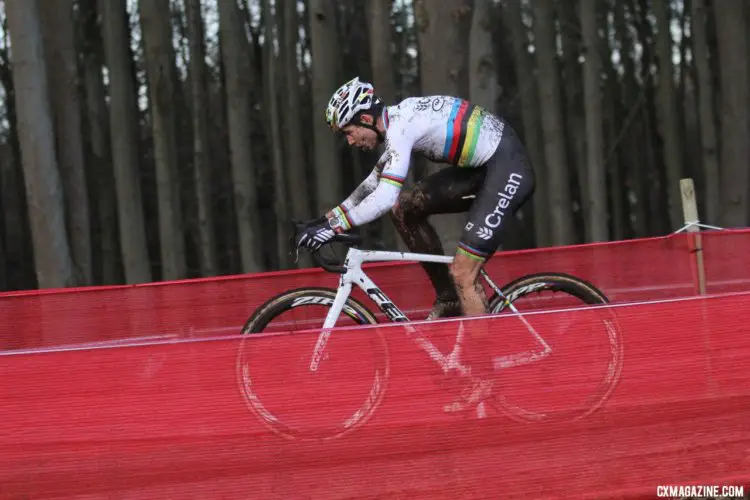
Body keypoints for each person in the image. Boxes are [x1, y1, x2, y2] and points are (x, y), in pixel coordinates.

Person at [295, 77, 536, 412]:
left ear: (365, 119)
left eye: (348, 132)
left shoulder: (401, 128)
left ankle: (485, 378)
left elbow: (382, 196)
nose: (350, 141)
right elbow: (372, 184)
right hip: (483, 166)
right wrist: (326, 221)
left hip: (506, 167)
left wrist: (335, 226)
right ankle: (450, 297)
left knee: (464, 272)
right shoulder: (397, 123)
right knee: (404, 210)